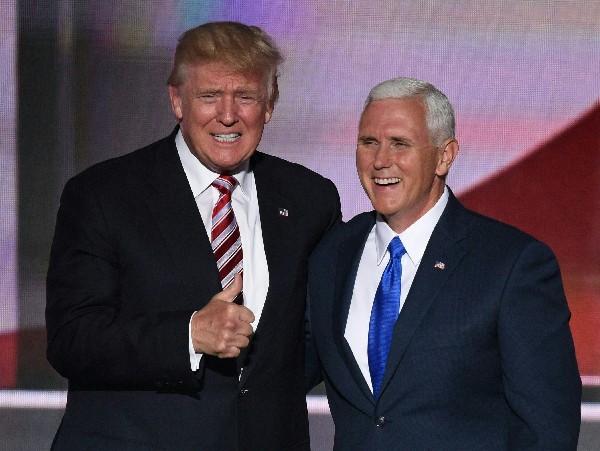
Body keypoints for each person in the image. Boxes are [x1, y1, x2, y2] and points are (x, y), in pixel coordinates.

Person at [46, 21, 341, 450]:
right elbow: (72, 339)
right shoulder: (104, 194)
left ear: (269, 106)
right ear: (177, 101)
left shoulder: (310, 198)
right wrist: (188, 336)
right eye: (209, 96)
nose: (227, 114)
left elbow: (316, 337)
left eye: (246, 96)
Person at [305, 76, 581, 449]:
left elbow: (547, 429)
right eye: (369, 142)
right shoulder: (332, 254)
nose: (381, 160)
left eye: (400, 144)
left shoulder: (512, 265)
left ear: (445, 155)